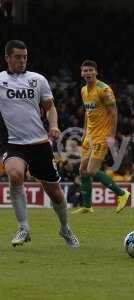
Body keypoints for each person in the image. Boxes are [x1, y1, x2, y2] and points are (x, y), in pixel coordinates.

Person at [0, 40, 79, 248]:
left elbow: (50, 108)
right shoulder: (0, 80)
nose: (22, 61)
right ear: (7, 58)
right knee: (15, 174)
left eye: (25, 57)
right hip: (13, 143)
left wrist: (53, 125)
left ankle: (65, 229)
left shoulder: (38, 80)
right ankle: (23, 227)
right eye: (17, 57)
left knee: (54, 192)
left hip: (39, 143)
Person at [72, 60, 131, 214]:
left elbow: (113, 112)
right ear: (81, 73)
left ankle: (122, 193)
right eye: (85, 71)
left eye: (91, 70)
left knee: (91, 170)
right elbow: (87, 112)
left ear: (96, 72)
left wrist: (111, 135)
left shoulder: (104, 89)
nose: (88, 73)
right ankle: (87, 205)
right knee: (83, 170)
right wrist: (85, 131)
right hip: (89, 136)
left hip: (102, 136)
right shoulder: (84, 90)